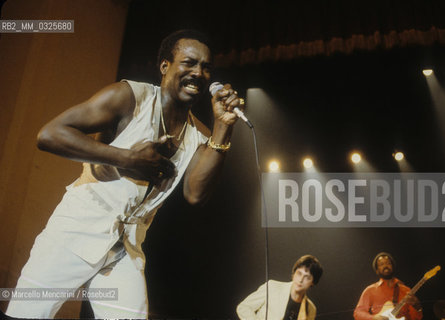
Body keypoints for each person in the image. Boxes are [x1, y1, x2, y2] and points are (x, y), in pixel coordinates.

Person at [6, 29, 243, 319]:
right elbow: (49, 134)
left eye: (206, 67)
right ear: (165, 66)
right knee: (26, 314)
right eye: (189, 63)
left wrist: (223, 125)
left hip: (127, 245)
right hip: (76, 228)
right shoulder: (129, 97)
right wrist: (127, 158)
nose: (198, 72)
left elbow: (195, 194)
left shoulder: (199, 135)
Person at [236, 255, 323, 320]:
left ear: (313, 282)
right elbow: (244, 307)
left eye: (307, 277)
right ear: (293, 274)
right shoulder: (272, 287)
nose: (300, 280)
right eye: (299, 273)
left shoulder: (311, 309)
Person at [354, 252, 423, 320]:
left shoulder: (406, 290)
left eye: (388, 263)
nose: (385, 266)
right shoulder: (370, 290)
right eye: (381, 264)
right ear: (377, 270)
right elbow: (358, 313)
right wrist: (373, 318)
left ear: (393, 267)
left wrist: (417, 307)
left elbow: (416, 318)